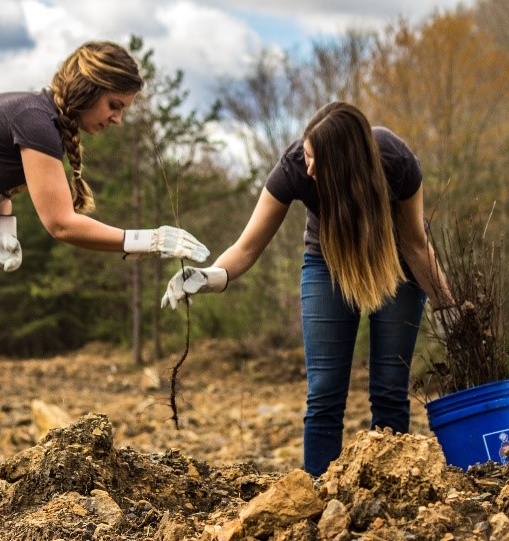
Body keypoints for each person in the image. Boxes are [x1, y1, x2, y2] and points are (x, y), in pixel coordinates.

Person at [0, 40, 209, 497]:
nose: (117, 118)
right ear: (89, 90)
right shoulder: (35, 119)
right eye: (114, 105)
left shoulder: (39, 121)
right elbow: (61, 224)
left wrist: (1, 228)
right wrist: (145, 240)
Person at [161, 101, 454, 477]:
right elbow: (248, 246)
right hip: (326, 262)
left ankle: (390, 485)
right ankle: (316, 491)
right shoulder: (295, 167)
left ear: (347, 163)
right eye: (307, 154)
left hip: (397, 262)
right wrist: (208, 277)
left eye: (318, 160)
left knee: (389, 387)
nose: (308, 166)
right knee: (326, 392)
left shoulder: (395, 161)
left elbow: (416, 245)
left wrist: (449, 310)